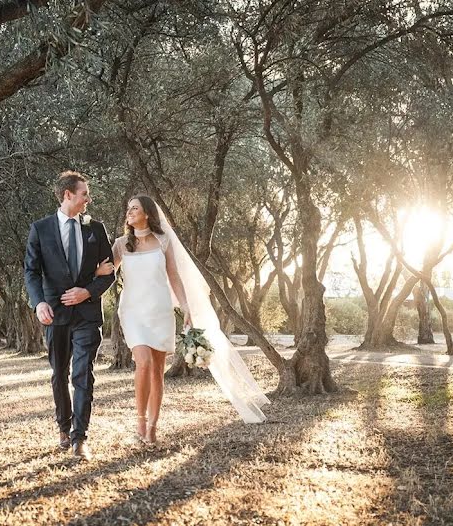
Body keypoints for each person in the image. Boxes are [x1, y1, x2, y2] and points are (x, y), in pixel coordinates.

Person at [95, 195, 269, 444]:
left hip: (160, 310)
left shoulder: (164, 241)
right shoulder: (122, 244)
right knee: (142, 362)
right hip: (132, 312)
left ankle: (153, 426)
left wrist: (186, 307)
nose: (129, 212)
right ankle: (140, 422)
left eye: (135, 208)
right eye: (128, 209)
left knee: (157, 371)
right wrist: (97, 272)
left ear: (147, 213)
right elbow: (106, 271)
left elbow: (174, 276)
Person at [24, 171, 115, 461]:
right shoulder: (40, 229)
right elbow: (31, 272)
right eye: (84, 194)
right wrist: (39, 303)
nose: (88, 199)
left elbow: (109, 272)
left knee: (82, 374)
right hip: (55, 313)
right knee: (59, 373)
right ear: (68, 195)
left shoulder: (96, 229)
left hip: (87, 314)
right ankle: (63, 427)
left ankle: (80, 438)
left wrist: (87, 291)